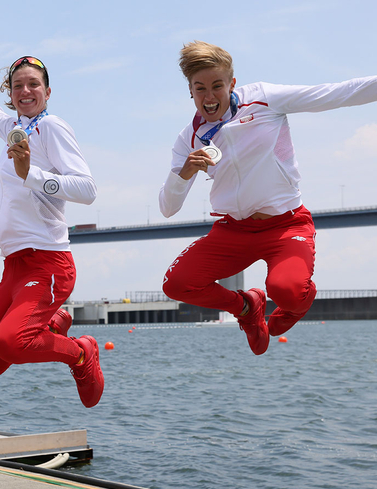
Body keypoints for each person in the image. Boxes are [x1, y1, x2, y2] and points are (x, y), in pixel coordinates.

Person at [159, 41, 377, 355]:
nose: (209, 97)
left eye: (217, 86)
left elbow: (337, 93)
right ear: (190, 90)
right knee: (176, 285)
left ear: (232, 83)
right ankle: (246, 306)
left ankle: (297, 304)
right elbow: (168, 208)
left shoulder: (264, 99)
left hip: (285, 227)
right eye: (200, 88)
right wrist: (183, 173)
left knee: (286, 290)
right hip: (232, 231)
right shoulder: (189, 138)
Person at [0, 57, 104, 408]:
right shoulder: (15, 129)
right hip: (13, 266)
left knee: (10, 343)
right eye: (18, 86)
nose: (26, 91)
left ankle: (80, 352)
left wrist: (29, 173)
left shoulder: (52, 127)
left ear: (47, 91)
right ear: (11, 95)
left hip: (46, 261)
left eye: (33, 84)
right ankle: (53, 321)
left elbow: (87, 190)